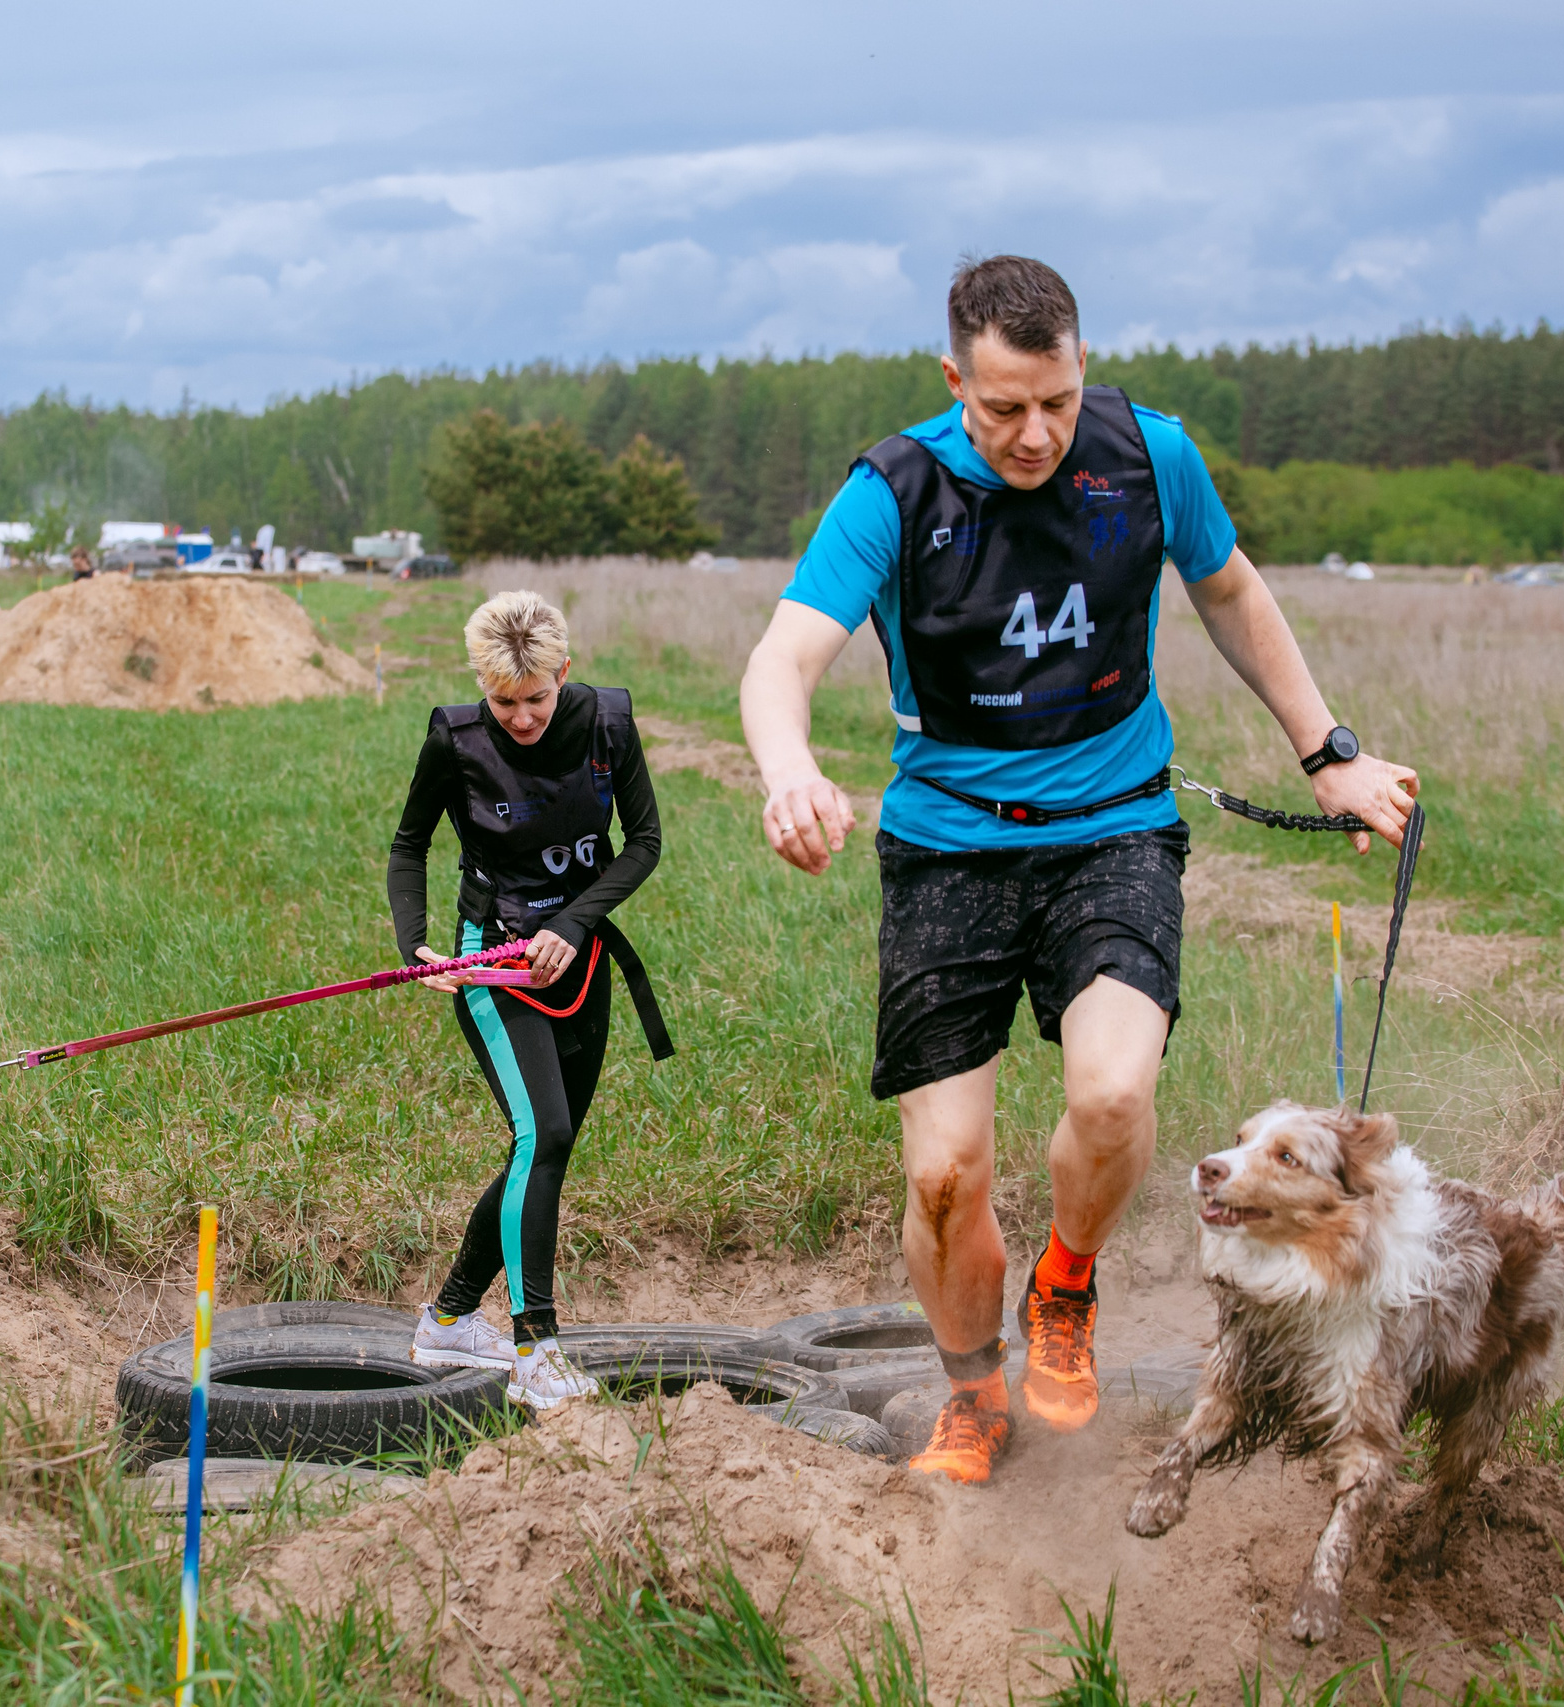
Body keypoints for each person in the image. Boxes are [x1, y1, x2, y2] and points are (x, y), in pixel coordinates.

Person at [739, 256, 1418, 1486]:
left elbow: (1228, 591)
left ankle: (1064, 1283)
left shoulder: (1150, 456)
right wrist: (789, 771)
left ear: (1080, 368)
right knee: (945, 1174)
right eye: (1002, 408)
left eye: (1054, 400)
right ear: (955, 381)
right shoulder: (890, 492)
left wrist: (1328, 752)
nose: (1035, 433)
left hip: (1113, 830)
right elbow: (780, 661)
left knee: (1110, 1097)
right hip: (946, 845)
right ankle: (970, 1394)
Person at [388, 591, 675, 1411]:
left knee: (543, 1149)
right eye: (503, 700)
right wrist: (416, 947)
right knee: (542, 1132)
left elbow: (645, 842)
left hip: (579, 963)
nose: (520, 717)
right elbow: (410, 845)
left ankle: (447, 1319)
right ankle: (536, 1350)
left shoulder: (609, 725)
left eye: (537, 698)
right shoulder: (456, 737)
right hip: (493, 962)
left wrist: (579, 923)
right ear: (483, 685)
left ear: (565, 674)